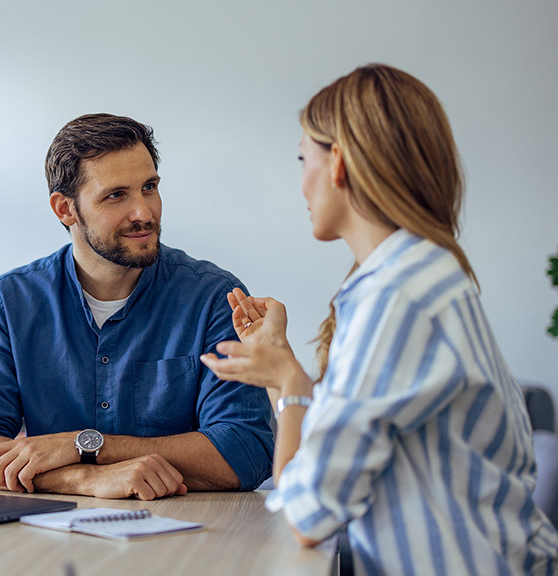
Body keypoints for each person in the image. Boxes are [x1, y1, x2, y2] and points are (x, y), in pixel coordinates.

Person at [201, 64, 558, 574]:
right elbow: (318, 474)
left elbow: (308, 514)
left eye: (305, 159)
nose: (301, 181)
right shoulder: (417, 275)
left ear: (339, 163)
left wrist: (291, 381)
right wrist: (282, 372)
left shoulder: (397, 297)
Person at [0, 113, 273, 500]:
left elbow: (245, 451)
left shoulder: (215, 298)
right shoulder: (11, 303)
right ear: (65, 209)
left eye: (149, 187)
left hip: (188, 540)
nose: (144, 213)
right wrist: (84, 479)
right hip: (51, 544)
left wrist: (83, 445)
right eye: (116, 196)